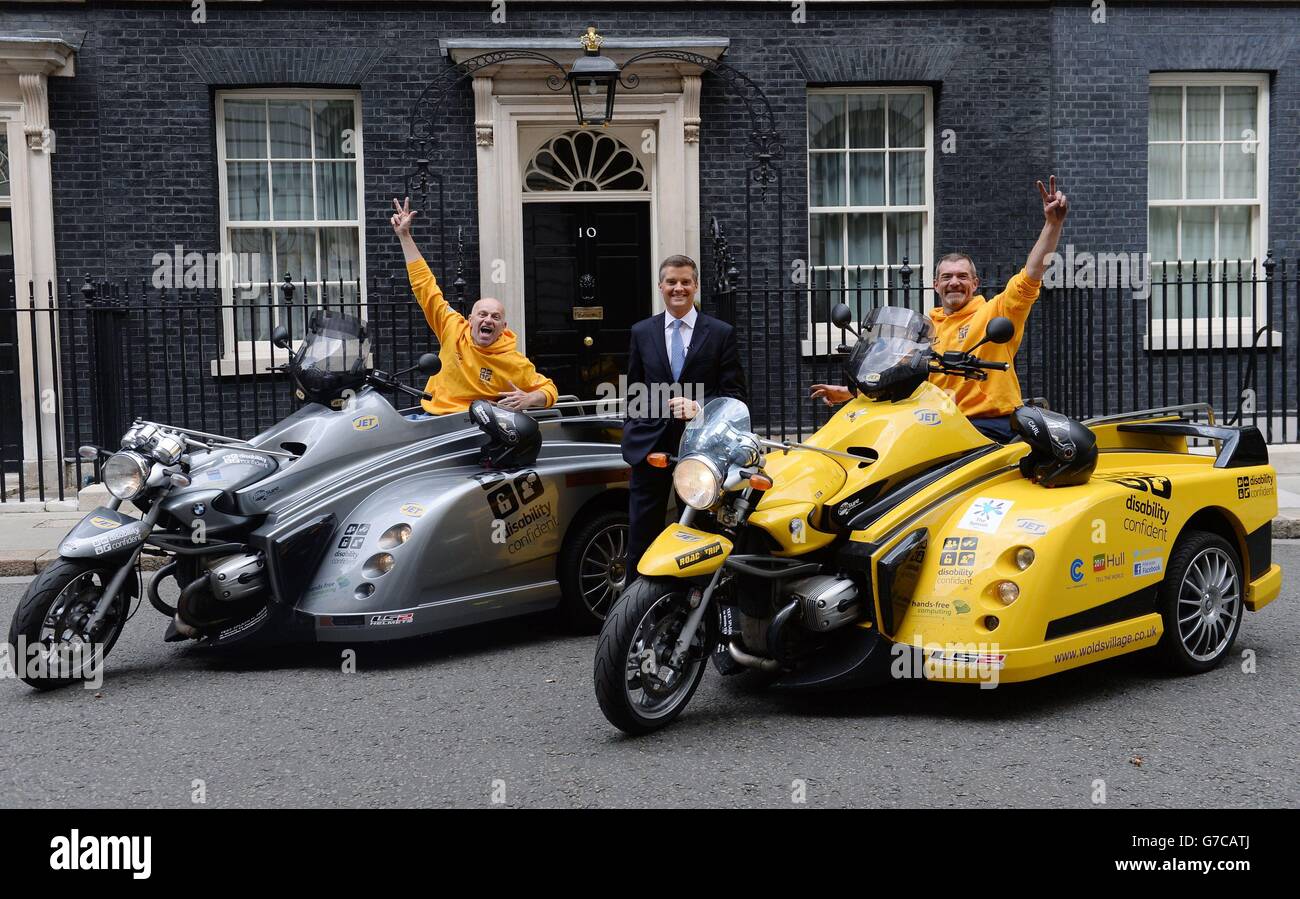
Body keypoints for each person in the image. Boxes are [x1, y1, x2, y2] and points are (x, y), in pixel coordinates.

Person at [811, 176, 1070, 443]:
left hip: (988, 423)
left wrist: (1053, 224)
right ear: (936, 285)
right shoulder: (924, 330)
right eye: (946, 277)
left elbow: (1030, 277)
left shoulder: (997, 311)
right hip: (938, 423)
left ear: (975, 283)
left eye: (962, 276)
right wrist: (851, 392)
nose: (954, 282)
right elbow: (897, 378)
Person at [623, 255, 747, 578]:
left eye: (685, 282)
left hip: (701, 452)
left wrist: (700, 409)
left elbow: (735, 396)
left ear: (695, 286)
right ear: (660, 286)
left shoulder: (721, 333)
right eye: (672, 282)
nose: (678, 288)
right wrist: (635, 437)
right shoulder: (641, 332)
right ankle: (633, 616)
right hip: (652, 448)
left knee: (699, 535)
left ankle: (698, 612)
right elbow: (635, 393)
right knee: (642, 537)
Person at [390, 197, 557, 415]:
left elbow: (549, 389)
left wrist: (530, 398)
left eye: (495, 317)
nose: (488, 320)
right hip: (432, 419)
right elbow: (425, 286)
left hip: (474, 428)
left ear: (503, 326)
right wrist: (404, 236)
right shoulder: (453, 328)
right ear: (470, 320)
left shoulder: (513, 363)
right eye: (483, 314)